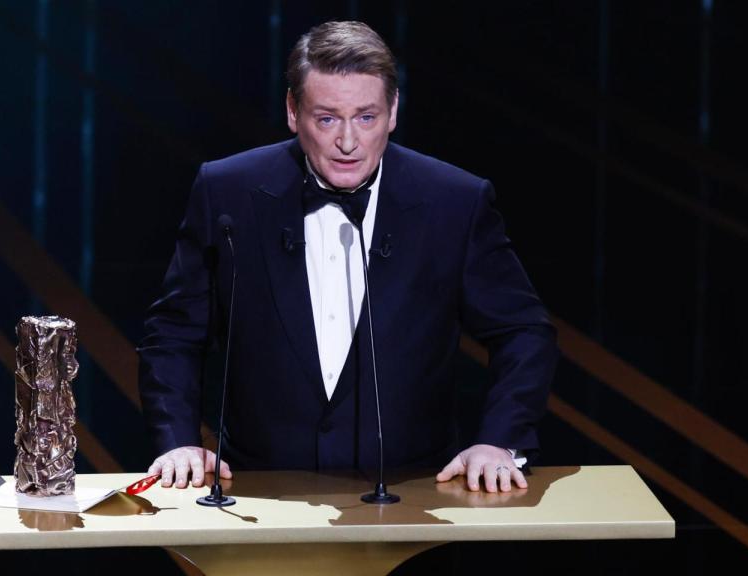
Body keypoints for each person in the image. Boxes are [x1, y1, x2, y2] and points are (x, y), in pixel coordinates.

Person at [137, 21, 557, 494]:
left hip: (418, 495)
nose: (348, 142)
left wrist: (499, 441)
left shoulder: (455, 201)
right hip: (260, 496)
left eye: (366, 117)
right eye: (327, 118)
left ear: (393, 112)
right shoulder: (228, 191)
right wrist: (176, 441)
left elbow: (524, 330)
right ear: (294, 112)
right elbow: (173, 333)